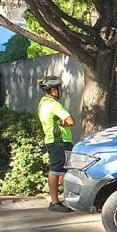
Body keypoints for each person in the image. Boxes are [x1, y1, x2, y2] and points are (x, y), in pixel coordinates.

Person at [37, 75, 75, 213]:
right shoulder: (54, 104)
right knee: (57, 170)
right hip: (59, 142)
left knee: (63, 171)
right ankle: (55, 202)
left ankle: (66, 199)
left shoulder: (43, 102)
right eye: (60, 88)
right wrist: (63, 122)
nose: (62, 90)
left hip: (54, 140)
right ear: (53, 90)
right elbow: (71, 121)